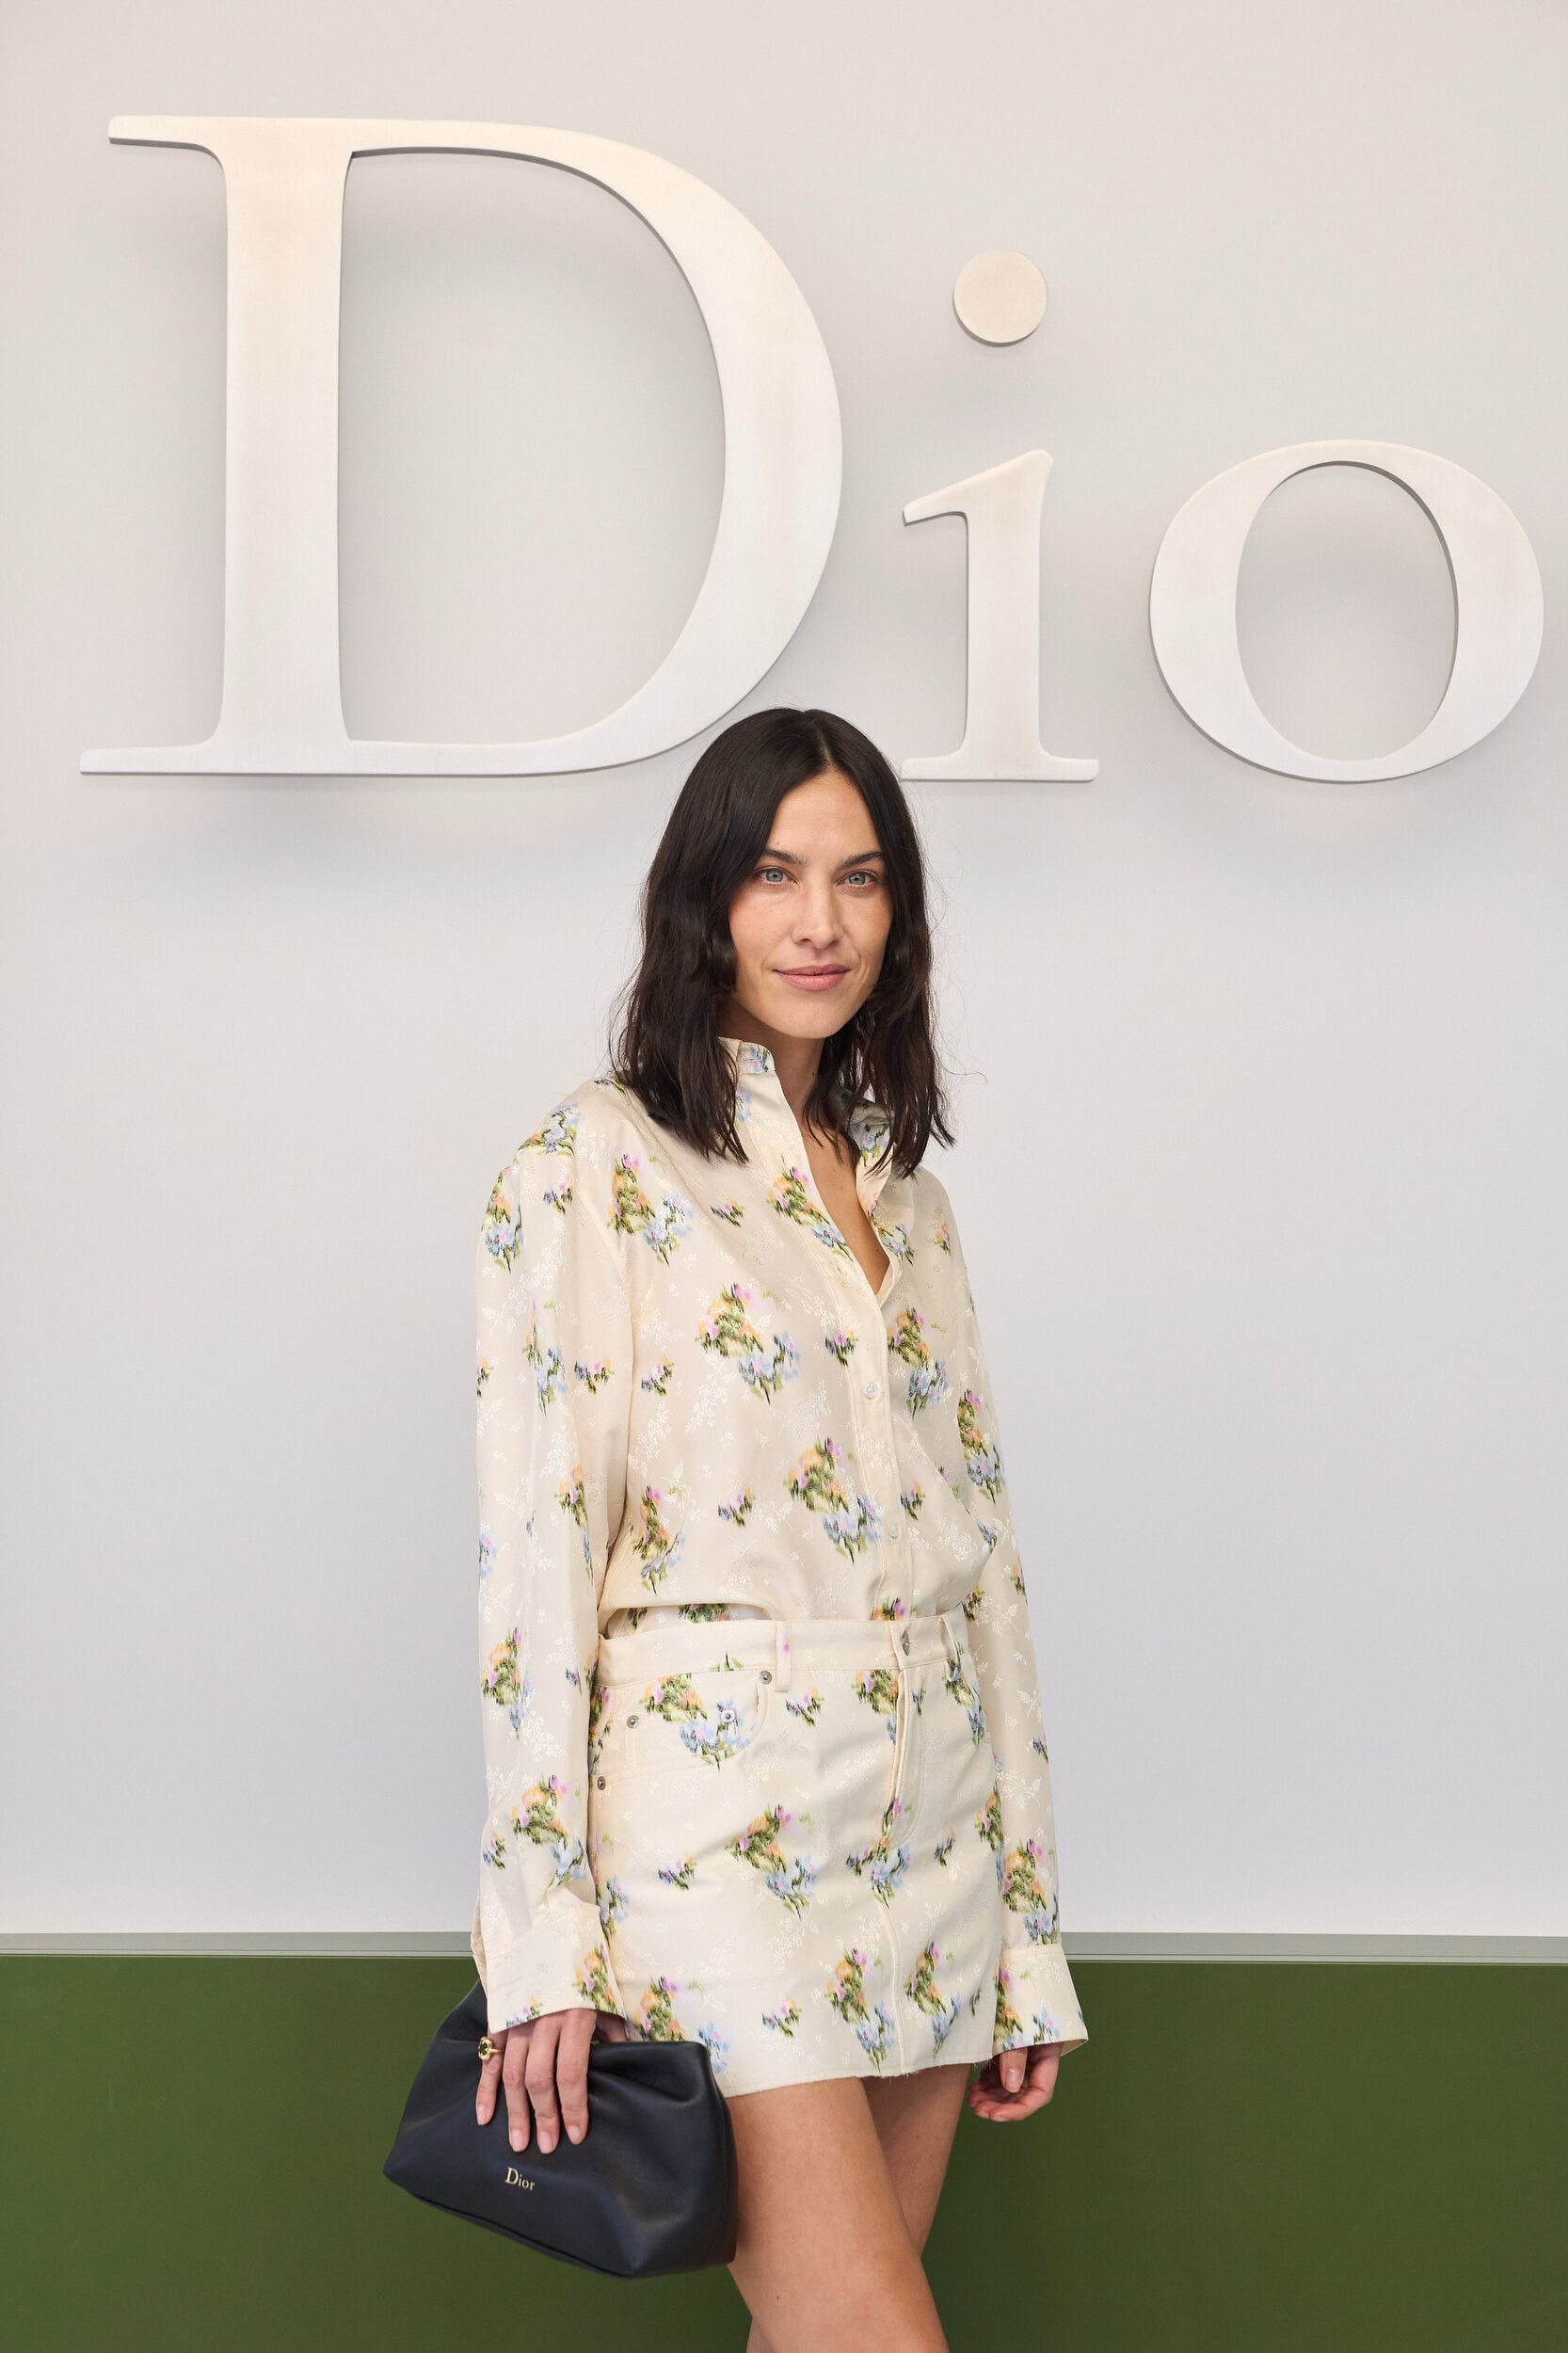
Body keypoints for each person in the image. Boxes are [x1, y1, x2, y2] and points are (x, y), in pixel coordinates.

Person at [470, 708, 1086, 2350]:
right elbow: (537, 1563)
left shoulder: (910, 1202)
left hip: (932, 1839)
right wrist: (542, 1939)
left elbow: (988, 1578)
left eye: (859, 878)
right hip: (715, 1840)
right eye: (773, 875)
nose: (820, 922)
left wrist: (1026, 1931)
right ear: (703, 900)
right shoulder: (592, 1164)